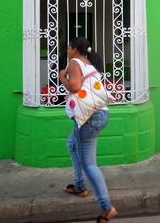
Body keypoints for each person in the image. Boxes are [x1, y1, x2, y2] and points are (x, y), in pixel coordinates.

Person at [59, 37, 117, 223]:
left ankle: (107, 208)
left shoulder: (75, 62)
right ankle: (79, 186)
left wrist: (62, 77)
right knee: (71, 144)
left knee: (89, 164)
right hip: (101, 114)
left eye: (69, 48)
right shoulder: (90, 64)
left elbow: (75, 87)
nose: (67, 50)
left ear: (75, 49)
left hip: (89, 118)